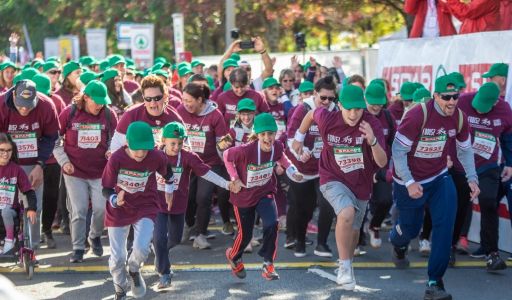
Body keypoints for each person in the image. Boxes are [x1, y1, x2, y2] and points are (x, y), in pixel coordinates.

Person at [389, 75, 479, 300]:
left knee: (445, 225)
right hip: (409, 181)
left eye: (455, 96)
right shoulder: (419, 114)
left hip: (439, 178)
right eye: (446, 97)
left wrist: (472, 177)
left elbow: (465, 150)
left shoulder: (459, 118)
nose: (451, 101)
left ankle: (434, 282)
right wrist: (409, 182)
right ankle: (396, 241)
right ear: (435, 96)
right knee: (410, 230)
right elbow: (398, 152)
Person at [291, 84, 387, 289]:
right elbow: (310, 115)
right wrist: (299, 138)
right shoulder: (328, 118)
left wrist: (372, 141)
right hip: (331, 176)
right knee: (346, 213)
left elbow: (382, 162)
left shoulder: (371, 124)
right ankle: (344, 267)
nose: (354, 114)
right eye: (349, 108)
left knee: (353, 230)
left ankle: (347, 263)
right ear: (339, 105)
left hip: (361, 183)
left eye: (358, 109)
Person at [153, 122, 233, 289]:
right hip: (157, 204)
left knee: (174, 239)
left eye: (180, 143)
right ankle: (164, 273)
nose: (176, 147)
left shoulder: (188, 157)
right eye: (172, 143)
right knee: (159, 238)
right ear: (164, 140)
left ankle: (161, 254)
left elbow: (207, 172)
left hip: (178, 205)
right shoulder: (154, 155)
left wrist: (226, 184)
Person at [224, 113, 303, 281]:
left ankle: (268, 264)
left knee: (272, 223)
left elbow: (283, 158)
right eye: (263, 134)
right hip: (243, 195)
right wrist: (235, 178)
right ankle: (234, 256)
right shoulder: (246, 150)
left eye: (271, 133)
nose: (267, 138)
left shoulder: (278, 146)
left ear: (275, 133)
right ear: (258, 135)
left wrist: (293, 171)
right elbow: (226, 156)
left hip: (264, 191)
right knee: (245, 235)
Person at [102, 121, 173, 300]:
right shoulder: (116, 159)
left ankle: (134, 269)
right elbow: (106, 188)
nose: (141, 153)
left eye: (145, 149)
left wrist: (169, 192)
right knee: (117, 258)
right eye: (137, 149)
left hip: (145, 206)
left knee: (142, 248)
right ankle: (120, 288)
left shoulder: (156, 156)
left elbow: (168, 173)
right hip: (119, 208)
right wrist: (114, 200)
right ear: (127, 143)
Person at [53, 81, 118, 263]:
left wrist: (111, 150)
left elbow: (118, 138)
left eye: (103, 101)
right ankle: (78, 247)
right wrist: (64, 161)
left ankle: (95, 236)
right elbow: (54, 139)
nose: (100, 105)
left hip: (100, 171)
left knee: (100, 209)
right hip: (74, 171)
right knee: (79, 210)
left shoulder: (108, 114)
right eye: (96, 101)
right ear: (86, 97)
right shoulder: (70, 112)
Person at [450, 82, 511, 270]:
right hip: (461, 166)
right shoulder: (462, 102)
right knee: (459, 206)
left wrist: (510, 163)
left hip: (487, 166)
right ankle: (449, 246)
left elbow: (508, 137)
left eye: (484, 108)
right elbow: (446, 129)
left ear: (494, 103)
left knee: (488, 202)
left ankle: (491, 253)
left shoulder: (504, 110)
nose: (479, 110)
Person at [0, 80, 60, 249]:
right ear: (13, 95)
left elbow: (50, 137)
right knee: (5, 205)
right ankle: (6, 239)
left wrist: (40, 165)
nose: (25, 109)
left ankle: (31, 248)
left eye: (29, 105)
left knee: (34, 206)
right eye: (21, 105)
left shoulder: (47, 105)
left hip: (33, 162)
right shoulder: (1, 105)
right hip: (5, 160)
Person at [286, 76, 339, 258]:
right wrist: (301, 152)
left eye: (331, 99)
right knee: (304, 208)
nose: (326, 102)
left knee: (327, 204)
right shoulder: (303, 109)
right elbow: (290, 137)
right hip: (301, 169)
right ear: (315, 94)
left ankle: (322, 243)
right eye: (323, 98)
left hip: (323, 169)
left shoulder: (335, 110)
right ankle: (300, 240)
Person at [177, 82, 231, 248]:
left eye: (189, 100)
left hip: (209, 163)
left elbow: (226, 139)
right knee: (187, 197)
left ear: (200, 100)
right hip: (187, 163)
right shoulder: (180, 111)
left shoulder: (215, 115)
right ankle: (188, 225)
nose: (185, 104)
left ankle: (201, 234)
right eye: (183, 100)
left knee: (204, 197)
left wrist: (225, 150)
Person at [31, 73, 66, 249]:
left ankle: (47, 230)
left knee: (51, 196)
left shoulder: (57, 101)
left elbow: (62, 126)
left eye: (47, 93)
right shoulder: (26, 103)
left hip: (52, 157)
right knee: (31, 197)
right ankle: (30, 232)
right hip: (30, 157)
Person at [110, 74, 183, 153]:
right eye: (148, 99)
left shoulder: (174, 118)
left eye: (157, 98)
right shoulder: (132, 114)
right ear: (143, 98)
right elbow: (115, 147)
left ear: (165, 97)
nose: (153, 103)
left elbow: (184, 148)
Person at [364, 82, 396, 248]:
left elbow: (394, 142)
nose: (376, 107)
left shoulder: (388, 117)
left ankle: (374, 225)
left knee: (386, 200)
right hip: (360, 168)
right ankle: (357, 239)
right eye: (372, 103)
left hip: (381, 166)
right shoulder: (357, 115)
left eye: (379, 103)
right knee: (359, 204)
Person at [0, 133, 37, 255]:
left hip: (10, 210)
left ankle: (10, 240)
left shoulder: (16, 169)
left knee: (5, 210)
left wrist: (32, 208)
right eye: (2, 150)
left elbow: (28, 190)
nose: (6, 153)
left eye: (9, 150)